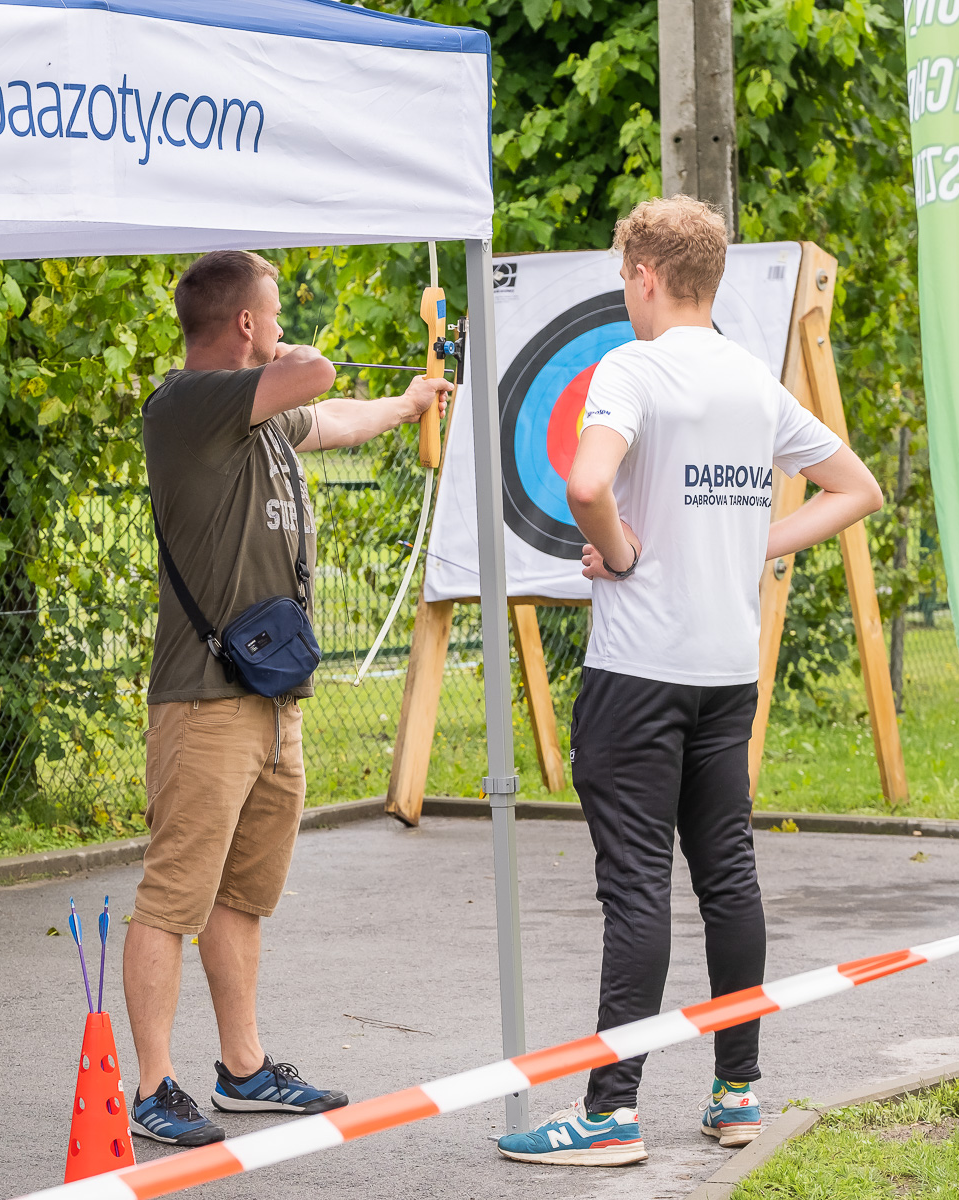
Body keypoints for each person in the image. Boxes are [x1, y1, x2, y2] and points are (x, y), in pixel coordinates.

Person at [496, 197, 883, 1167]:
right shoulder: (753, 382)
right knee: (727, 880)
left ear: (645, 275)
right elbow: (859, 490)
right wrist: (754, 542)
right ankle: (737, 1093)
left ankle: (610, 1113)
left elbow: (587, 486)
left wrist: (619, 552)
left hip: (639, 670)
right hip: (725, 669)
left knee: (636, 892)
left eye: (624, 275)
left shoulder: (633, 366)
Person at [125, 250, 450, 1146]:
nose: (277, 322)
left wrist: (410, 406)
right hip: (205, 703)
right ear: (242, 327)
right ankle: (154, 1086)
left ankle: (244, 1069)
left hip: (271, 699)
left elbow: (335, 415)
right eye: (269, 311)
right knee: (172, 897)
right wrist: (289, 354)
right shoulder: (188, 405)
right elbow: (315, 373)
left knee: (243, 894)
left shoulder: (260, 419)